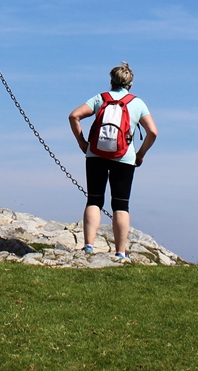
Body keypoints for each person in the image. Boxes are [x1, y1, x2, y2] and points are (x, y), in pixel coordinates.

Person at [67, 62, 158, 262]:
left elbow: (74, 116)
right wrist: (140, 154)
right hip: (124, 157)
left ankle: (89, 247)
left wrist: (83, 143)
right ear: (130, 84)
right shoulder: (137, 103)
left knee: (94, 200)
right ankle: (120, 253)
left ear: (111, 81)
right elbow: (153, 132)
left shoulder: (101, 98)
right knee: (121, 205)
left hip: (95, 154)